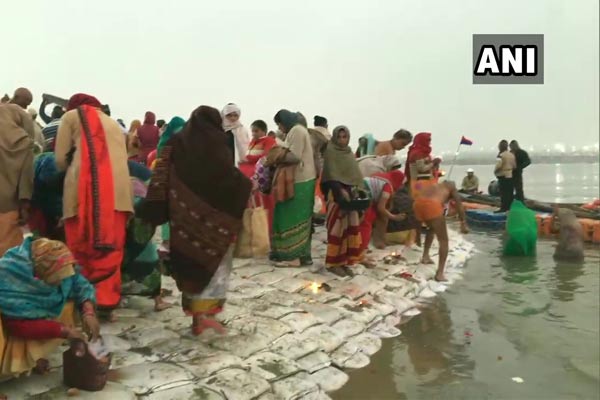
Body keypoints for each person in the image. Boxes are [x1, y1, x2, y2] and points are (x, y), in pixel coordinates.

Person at [140, 105, 251, 335]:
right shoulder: (216, 142)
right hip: (215, 221)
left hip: (184, 219)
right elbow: (227, 177)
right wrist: (247, 185)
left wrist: (160, 208)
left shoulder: (175, 143)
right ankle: (206, 316)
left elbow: (162, 175)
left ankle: (197, 319)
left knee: (191, 262)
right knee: (216, 266)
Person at [54, 93, 133, 315]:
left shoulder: (71, 116)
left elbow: (59, 160)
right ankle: (107, 300)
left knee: (82, 247)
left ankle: (86, 301)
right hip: (119, 195)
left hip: (83, 193)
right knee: (111, 249)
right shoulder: (114, 123)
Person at [0, 238, 99, 377]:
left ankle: (33, 359)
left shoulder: (58, 263)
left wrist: (88, 311)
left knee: (68, 305)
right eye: (57, 278)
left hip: (27, 316)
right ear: (38, 275)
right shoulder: (9, 276)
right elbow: (18, 326)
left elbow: (78, 283)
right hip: (8, 326)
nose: (61, 282)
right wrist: (65, 331)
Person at [271, 110, 316, 267]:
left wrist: (276, 155)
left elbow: (295, 156)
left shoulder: (297, 131)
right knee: (293, 216)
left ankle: (293, 257)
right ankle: (297, 255)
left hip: (300, 180)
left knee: (291, 217)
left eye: (279, 124)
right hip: (300, 179)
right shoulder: (295, 131)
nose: (280, 128)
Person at [321, 126, 364, 277]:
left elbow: (355, 176)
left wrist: (355, 191)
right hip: (336, 195)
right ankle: (333, 263)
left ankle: (345, 262)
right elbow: (330, 175)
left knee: (350, 229)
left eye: (345, 137)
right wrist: (340, 190)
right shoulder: (331, 152)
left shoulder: (349, 153)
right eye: (339, 137)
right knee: (337, 230)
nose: (342, 140)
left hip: (350, 197)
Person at [413, 181, 469, 281]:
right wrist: (463, 223)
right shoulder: (451, 186)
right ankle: (440, 274)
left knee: (432, 228)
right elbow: (459, 205)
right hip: (432, 205)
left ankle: (425, 256)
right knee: (444, 241)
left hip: (417, 204)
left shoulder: (435, 185)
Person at [0, 103, 34, 256]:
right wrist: (25, 206)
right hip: (9, 207)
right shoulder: (24, 142)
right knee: (8, 253)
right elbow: (26, 179)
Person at [360, 170, 407, 266]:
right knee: (366, 225)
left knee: (370, 217)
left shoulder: (381, 176)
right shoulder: (388, 187)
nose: (401, 186)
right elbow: (381, 208)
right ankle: (360, 255)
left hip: (361, 192)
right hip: (363, 195)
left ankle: (360, 250)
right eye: (402, 184)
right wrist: (394, 217)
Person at [239, 120, 277, 231]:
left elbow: (266, 156)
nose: (254, 134)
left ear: (263, 131)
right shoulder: (252, 142)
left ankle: (264, 230)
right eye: (252, 131)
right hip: (248, 177)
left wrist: (248, 159)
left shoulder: (268, 141)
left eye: (256, 131)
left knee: (262, 205)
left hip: (260, 179)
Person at [494, 140, 516, 213]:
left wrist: (495, 172)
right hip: (510, 175)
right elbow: (514, 166)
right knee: (510, 193)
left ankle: (503, 208)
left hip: (502, 175)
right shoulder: (511, 155)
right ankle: (510, 208)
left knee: (503, 193)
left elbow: (498, 165)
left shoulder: (501, 155)